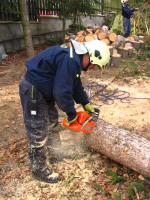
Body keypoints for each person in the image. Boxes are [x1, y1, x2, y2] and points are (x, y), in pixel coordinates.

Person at [19, 39, 110, 183]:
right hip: (33, 90)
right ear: (91, 54)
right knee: (38, 130)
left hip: (43, 90)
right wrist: (71, 113)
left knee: (52, 123)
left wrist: (85, 102)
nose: (92, 68)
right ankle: (39, 169)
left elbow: (75, 83)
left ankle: (55, 153)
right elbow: (61, 92)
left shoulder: (74, 59)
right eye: (93, 64)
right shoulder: (71, 59)